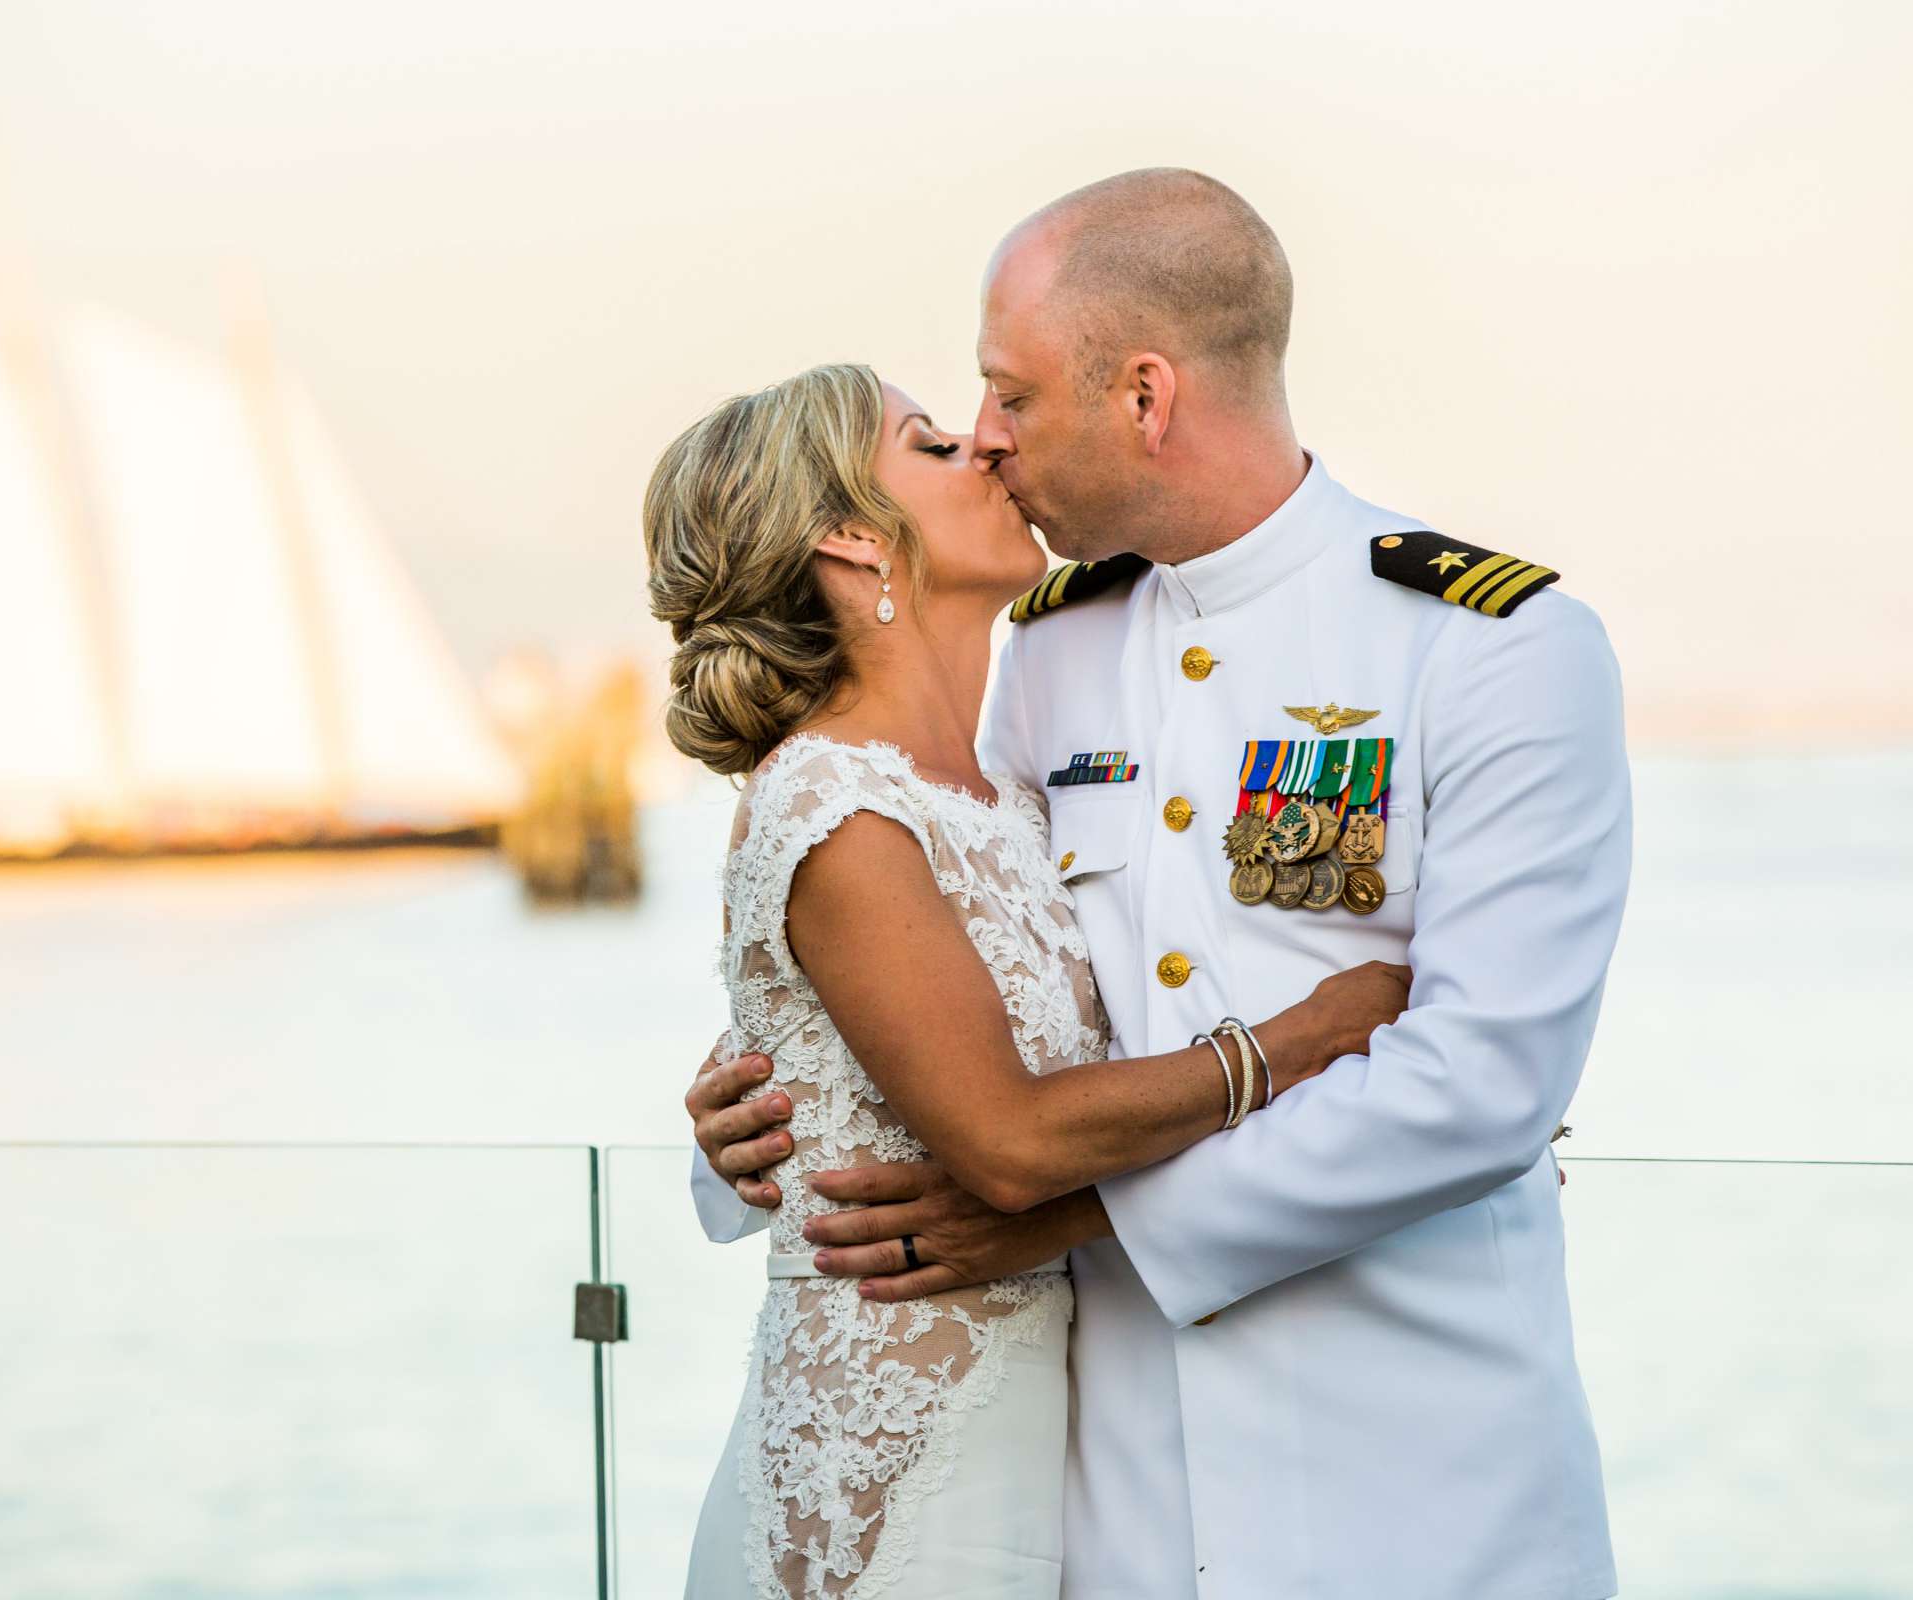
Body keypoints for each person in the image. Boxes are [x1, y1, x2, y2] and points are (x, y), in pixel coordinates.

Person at [687, 169, 1633, 1598]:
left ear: (1145, 395)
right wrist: (743, 1130)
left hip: (1417, 1491)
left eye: (1009, 398)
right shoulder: (1050, 653)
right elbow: (953, 974)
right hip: (1110, 1508)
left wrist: (1074, 1214)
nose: (990, 442)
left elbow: (1487, 1085)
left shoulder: (1488, 648)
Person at [643, 361, 1414, 1599]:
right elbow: (1002, 1139)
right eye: (934, 445)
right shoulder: (828, 795)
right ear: (852, 539)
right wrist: (1299, 1038)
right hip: (890, 1460)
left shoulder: (1002, 787)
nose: (987, 452)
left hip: (1045, 1444)